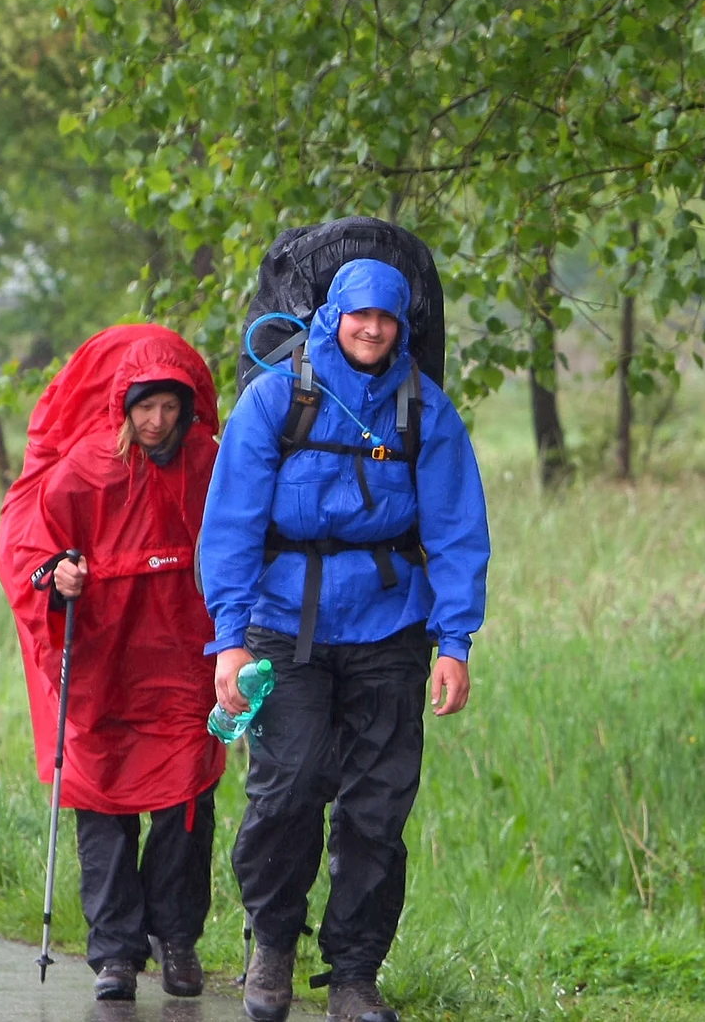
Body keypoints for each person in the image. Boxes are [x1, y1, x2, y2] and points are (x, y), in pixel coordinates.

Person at [199, 258, 489, 1022]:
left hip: (391, 624)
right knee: (286, 786)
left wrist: (455, 641)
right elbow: (228, 525)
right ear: (334, 315)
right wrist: (228, 638)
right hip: (280, 621)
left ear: (402, 326)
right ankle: (272, 941)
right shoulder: (275, 399)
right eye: (360, 315)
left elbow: (458, 528)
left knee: (378, 806)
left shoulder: (424, 408)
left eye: (387, 319)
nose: (372, 329)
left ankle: (355, 972)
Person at [0, 324, 225, 1002]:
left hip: (181, 655)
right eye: (145, 407)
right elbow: (35, 545)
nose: (157, 422)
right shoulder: (85, 468)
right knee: (100, 802)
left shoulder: (209, 463)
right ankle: (116, 952)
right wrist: (56, 575)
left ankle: (177, 938)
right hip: (102, 660)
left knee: (186, 797)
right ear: (123, 406)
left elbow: (243, 538)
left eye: (170, 408)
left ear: (188, 408)